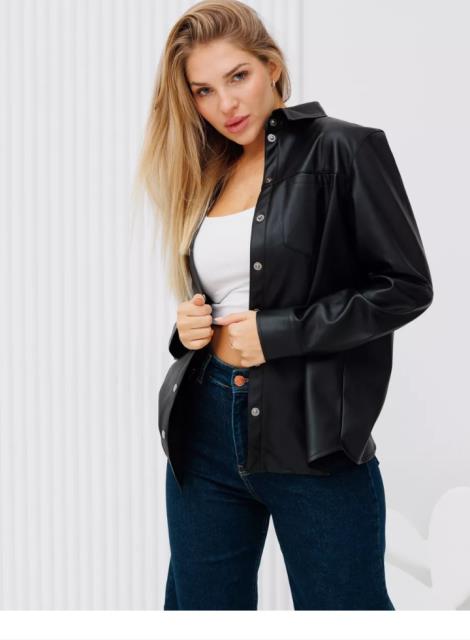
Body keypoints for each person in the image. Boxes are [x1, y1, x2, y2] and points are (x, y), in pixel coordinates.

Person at [133, 0, 433, 610]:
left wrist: (281, 332)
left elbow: (406, 286)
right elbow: (231, 291)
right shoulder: (209, 172)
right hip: (205, 427)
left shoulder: (344, 149)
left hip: (311, 434)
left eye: (238, 76)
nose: (226, 104)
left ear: (271, 66)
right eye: (204, 90)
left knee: (345, 614)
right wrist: (188, 328)